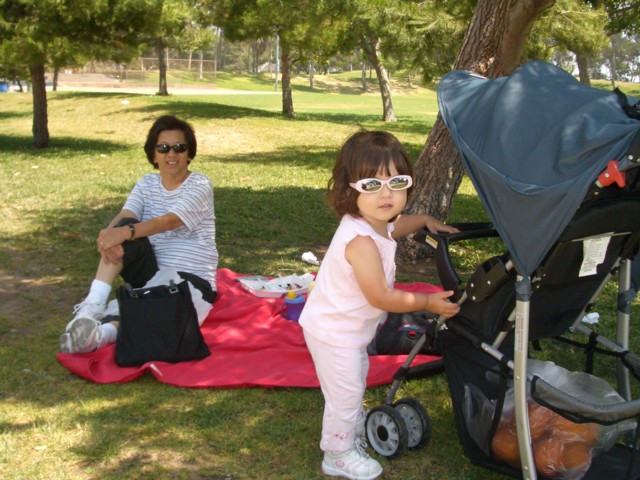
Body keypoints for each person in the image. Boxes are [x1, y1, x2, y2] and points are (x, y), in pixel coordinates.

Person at [299, 130, 460, 480]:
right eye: (372, 185)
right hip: (333, 331)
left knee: (352, 381)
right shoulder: (360, 241)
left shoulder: (376, 223)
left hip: (348, 329)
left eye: (396, 182)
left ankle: (351, 424)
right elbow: (381, 298)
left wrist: (424, 221)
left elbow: (396, 226)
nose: (386, 193)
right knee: (346, 391)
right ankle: (337, 454)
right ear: (349, 190)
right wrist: (427, 302)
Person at [59, 115, 218, 354]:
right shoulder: (146, 184)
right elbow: (127, 213)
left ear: (189, 153)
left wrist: (122, 232)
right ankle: (91, 306)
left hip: (190, 278)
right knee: (124, 227)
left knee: (164, 313)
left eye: (179, 147)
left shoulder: (200, 184)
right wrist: (108, 237)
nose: (171, 155)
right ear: (153, 155)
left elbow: (170, 221)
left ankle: (100, 335)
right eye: (163, 148)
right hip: (150, 272)